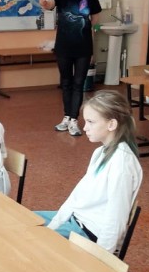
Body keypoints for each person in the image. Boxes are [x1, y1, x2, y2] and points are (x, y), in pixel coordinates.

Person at [37, 90, 142, 252]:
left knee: (28, 237)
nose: (85, 128)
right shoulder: (100, 152)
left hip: (88, 234)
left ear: (111, 124)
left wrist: (101, 258)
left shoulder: (122, 163)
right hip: (76, 221)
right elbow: (76, 196)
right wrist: (55, 224)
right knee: (22, 220)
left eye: (91, 122)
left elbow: (116, 219)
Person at [37, 0, 102, 136]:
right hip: (63, 47)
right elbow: (50, 4)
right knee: (66, 82)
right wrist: (44, 3)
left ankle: (74, 120)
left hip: (83, 47)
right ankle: (66, 117)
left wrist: (84, 30)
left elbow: (95, 19)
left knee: (78, 83)